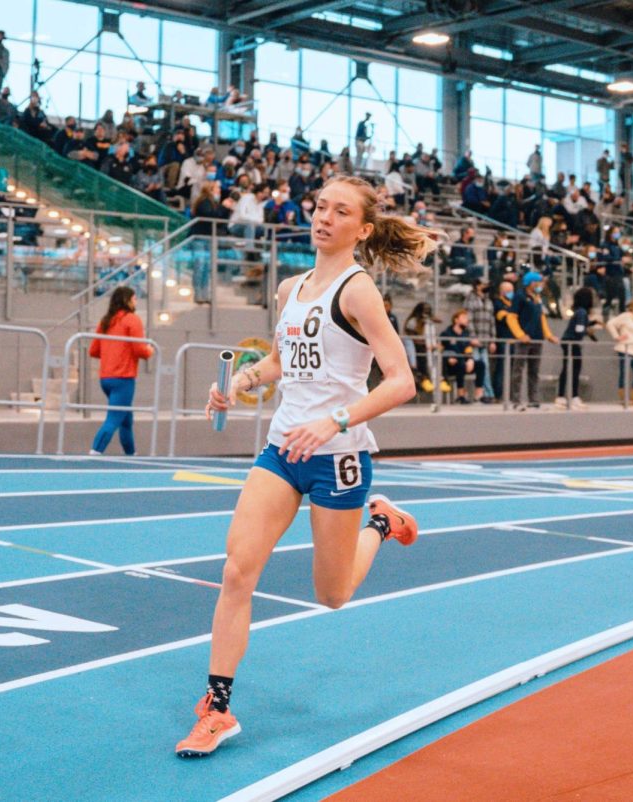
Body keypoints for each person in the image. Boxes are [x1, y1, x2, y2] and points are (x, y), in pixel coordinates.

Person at [176, 175, 433, 757]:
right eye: (320, 206)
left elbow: (401, 382)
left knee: (332, 595)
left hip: (338, 457)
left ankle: (380, 523)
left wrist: (336, 421)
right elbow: (279, 360)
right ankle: (217, 708)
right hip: (281, 451)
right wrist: (241, 380)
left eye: (340, 212)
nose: (324, 217)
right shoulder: (291, 287)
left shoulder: (358, 290)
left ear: (361, 229)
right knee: (238, 570)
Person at [88, 287, 153, 456]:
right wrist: (149, 350)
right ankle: (95, 451)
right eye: (134, 298)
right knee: (115, 417)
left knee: (126, 419)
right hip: (123, 377)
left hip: (106, 378)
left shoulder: (106, 321)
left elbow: (93, 350)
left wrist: (111, 352)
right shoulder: (132, 319)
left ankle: (131, 453)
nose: (136, 302)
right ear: (128, 300)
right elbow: (139, 349)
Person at [508, 271, 558, 410]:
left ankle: (533, 398)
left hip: (537, 338)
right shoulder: (519, 296)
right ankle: (516, 399)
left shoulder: (537, 297)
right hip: (524, 339)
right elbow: (511, 317)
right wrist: (520, 335)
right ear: (531, 282)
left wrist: (548, 335)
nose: (540, 285)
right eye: (537, 282)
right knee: (518, 370)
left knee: (534, 371)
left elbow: (541, 318)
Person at [555, 286, 596, 410]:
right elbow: (579, 330)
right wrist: (586, 331)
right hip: (572, 343)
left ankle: (562, 396)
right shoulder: (582, 312)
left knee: (568, 368)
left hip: (568, 342)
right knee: (574, 369)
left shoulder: (579, 311)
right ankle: (573, 397)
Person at [440, 310, 486, 404]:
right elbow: (441, 350)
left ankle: (479, 395)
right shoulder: (446, 334)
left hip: (465, 363)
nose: (467, 320)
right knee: (460, 364)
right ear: (456, 320)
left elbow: (468, 350)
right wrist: (448, 358)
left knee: (481, 364)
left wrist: (470, 360)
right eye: (464, 318)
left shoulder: (466, 334)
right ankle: (460, 395)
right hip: (451, 364)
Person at [606, 298, 633, 406]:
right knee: (624, 373)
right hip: (625, 349)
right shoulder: (625, 316)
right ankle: (623, 398)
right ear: (632, 306)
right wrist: (617, 337)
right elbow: (610, 323)